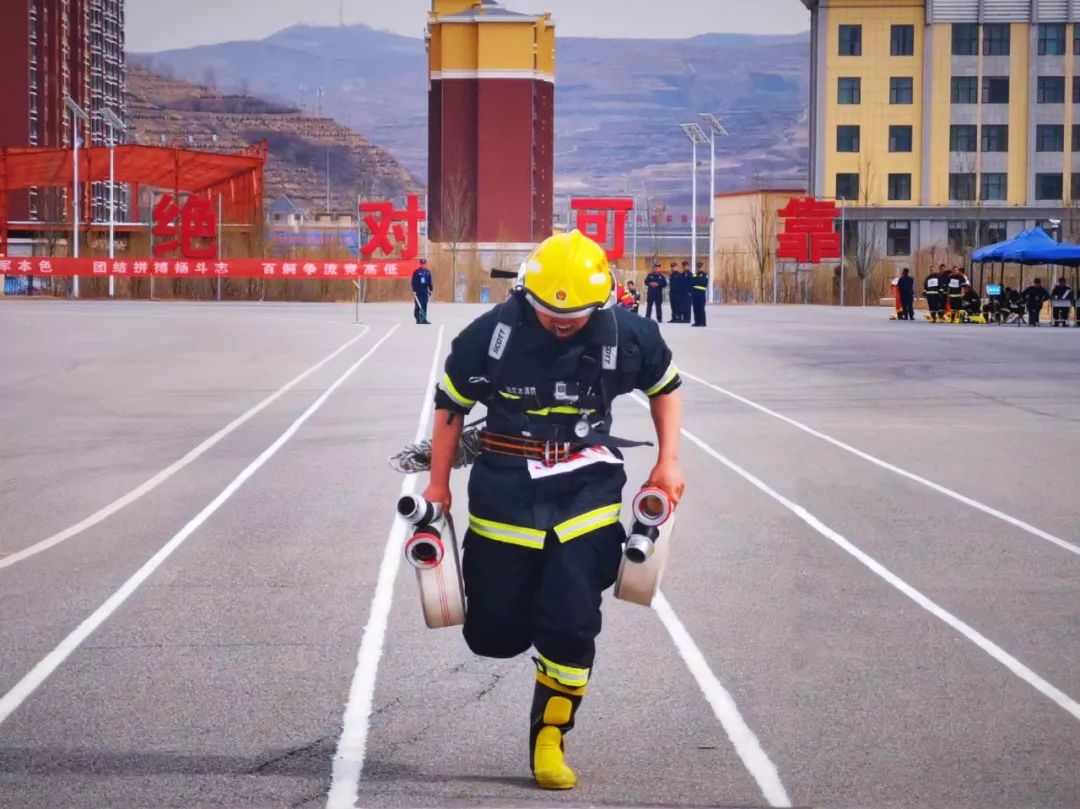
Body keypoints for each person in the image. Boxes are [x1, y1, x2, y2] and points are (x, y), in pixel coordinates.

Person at [422, 229, 685, 791]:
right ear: (525, 294)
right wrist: (437, 485)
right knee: (493, 636)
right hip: (504, 495)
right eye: (547, 312)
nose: (562, 322)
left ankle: (550, 735)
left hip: (586, 494)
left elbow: (666, 386)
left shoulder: (630, 335)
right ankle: (529, 639)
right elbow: (450, 408)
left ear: (605, 298)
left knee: (569, 622)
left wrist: (669, 462)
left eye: (577, 315)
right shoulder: (488, 337)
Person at [411, 257, 434, 324]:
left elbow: (430, 282)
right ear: (420, 264)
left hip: (425, 291)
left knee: (424, 305)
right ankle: (418, 318)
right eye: (422, 264)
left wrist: (431, 289)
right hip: (418, 291)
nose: (423, 265)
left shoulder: (427, 272)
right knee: (418, 305)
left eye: (424, 264)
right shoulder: (416, 272)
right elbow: (413, 282)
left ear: (426, 264)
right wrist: (414, 290)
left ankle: (424, 319)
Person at [691, 261, 709, 327]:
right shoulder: (695, 274)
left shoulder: (705, 274)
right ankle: (697, 322)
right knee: (695, 308)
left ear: (703, 267)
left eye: (700, 267)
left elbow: (703, 282)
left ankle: (702, 322)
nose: (699, 268)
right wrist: (697, 280)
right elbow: (692, 282)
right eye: (698, 267)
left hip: (701, 294)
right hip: (695, 294)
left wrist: (697, 280)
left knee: (701, 308)